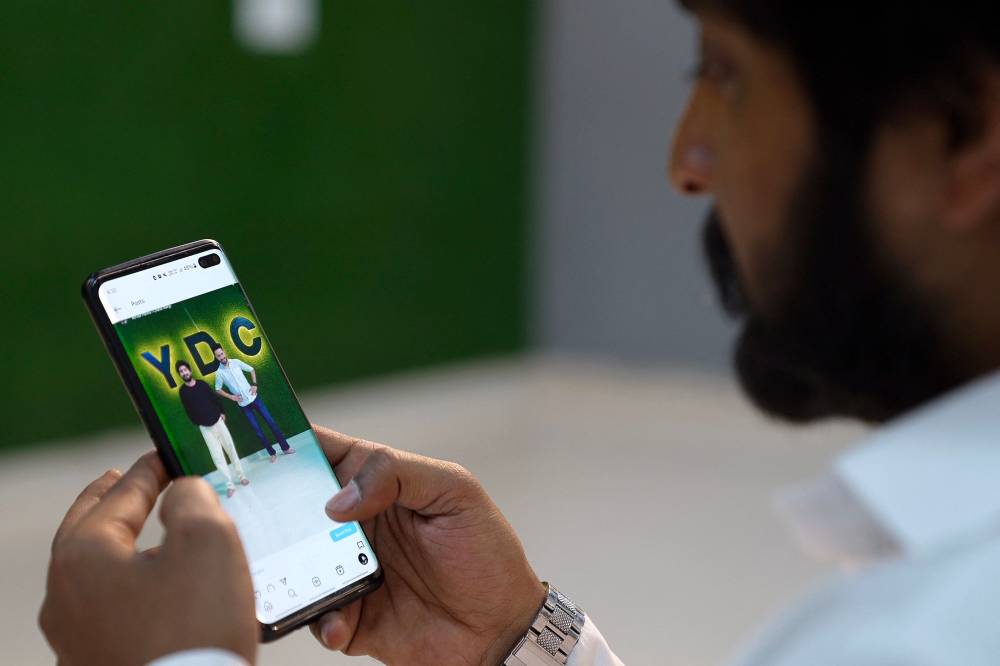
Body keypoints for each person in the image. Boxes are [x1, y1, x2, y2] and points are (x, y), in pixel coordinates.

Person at [40, 1, 1000, 665]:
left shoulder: (923, 634)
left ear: (964, 137)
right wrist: (518, 638)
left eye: (727, 73)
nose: (685, 159)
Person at [176, 360, 250, 498]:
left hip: (218, 422)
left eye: (185, 370)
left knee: (230, 448)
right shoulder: (183, 392)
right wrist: (198, 423)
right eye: (181, 371)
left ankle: (242, 477)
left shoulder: (202, 385)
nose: (184, 373)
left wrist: (222, 412)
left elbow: (215, 399)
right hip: (205, 428)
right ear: (180, 374)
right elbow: (188, 410)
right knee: (217, 457)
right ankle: (230, 485)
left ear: (190, 370)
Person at [212, 343, 294, 463]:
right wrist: (231, 397)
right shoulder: (219, 373)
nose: (221, 357)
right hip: (244, 406)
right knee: (258, 431)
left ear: (224, 352)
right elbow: (217, 389)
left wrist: (254, 384)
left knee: (271, 423)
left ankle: (285, 448)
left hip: (255, 398)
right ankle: (272, 453)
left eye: (221, 354)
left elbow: (251, 369)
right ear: (216, 357)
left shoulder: (236, 362)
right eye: (218, 356)